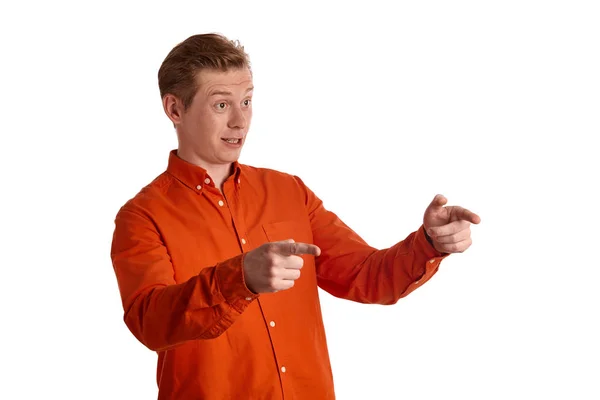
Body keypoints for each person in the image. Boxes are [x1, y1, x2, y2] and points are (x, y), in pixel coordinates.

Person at [110, 33, 481, 400]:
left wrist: (428, 243)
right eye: (221, 105)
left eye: (247, 101)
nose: (241, 121)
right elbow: (151, 323)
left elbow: (366, 275)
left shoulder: (289, 191)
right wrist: (238, 279)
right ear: (175, 109)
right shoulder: (142, 217)